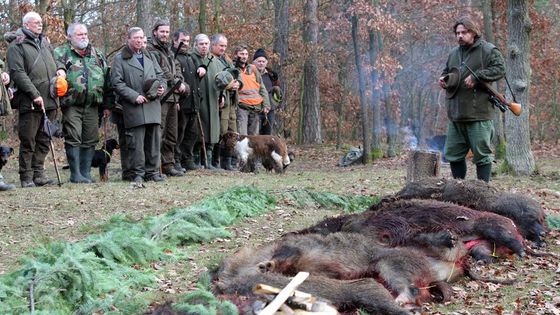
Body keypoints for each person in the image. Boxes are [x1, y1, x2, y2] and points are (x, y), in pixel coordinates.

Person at [438, 16, 505, 182]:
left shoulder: (488, 50)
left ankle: (483, 192)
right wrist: (443, 79)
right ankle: (459, 190)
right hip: (456, 114)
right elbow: (448, 70)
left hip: (479, 114)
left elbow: (500, 69)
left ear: (473, 32)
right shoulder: (454, 53)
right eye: (458, 33)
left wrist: (477, 77)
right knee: (453, 154)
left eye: (464, 32)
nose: (460, 36)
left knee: (482, 156)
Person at [6, 11, 66, 188]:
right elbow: (18, 73)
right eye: (36, 22)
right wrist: (34, 94)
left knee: (45, 138)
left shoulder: (45, 42)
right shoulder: (16, 46)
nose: (40, 25)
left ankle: (39, 174)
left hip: (51, 98)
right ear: (26, 25)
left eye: (41, 22)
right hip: (30, 101)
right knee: (28, 139)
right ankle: (26, 176)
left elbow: (56, 61)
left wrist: (61, 69)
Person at [54, 23, 110, 183]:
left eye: (85, 33)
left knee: (91, 138)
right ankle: (75, 174)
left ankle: (85, 173)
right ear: (69, 37)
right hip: (72, 104)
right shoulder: (61, 52)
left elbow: (107, 80)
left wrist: (107, 105)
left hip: (93, 105)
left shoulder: (97, 54)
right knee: (73, 137)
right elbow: (56, 70)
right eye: (79, 34)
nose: (84, 36)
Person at [111, 27, 166, 183]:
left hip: (153, 105)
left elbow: (161, 75)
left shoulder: (149, 55)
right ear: (128, 39)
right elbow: (116, 82)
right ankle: (138, 173)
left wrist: (162, 87)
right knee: (136, 143)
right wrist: (134, 96)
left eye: (142, 37)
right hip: (134, 107)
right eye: (136, 38)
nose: (140, 41)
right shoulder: (120, 58)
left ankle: (153, 172)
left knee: (154, 141)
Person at [146, 18, 187, 177]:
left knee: (172, 134)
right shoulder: (150, 49)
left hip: (173, 98)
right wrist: (176, 81)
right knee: (159, 133)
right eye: (162, 31)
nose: (164, 34)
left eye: (167, 32)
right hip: (161, 97)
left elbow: (176, 67)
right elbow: (161, 70)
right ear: (155, 31)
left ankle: (168, 164)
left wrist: (180, 81)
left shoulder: (168, 50)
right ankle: (155, 167)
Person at [172, 30, 201, 172]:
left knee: (192, 133)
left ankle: (187, 158)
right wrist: (176, 100)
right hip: (181, 103)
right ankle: (176, 160)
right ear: (175, 40)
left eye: (188, 41)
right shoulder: (173, 56)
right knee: (179, 133)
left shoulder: (190, 57)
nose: (185, 44)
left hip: (193, 101)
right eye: (183, 40)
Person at [212, 35, 240, 170]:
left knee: (232, 131)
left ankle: (227, 161)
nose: (223, 48)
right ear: (214, 45)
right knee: (221, 131)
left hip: (231, 101)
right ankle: (216, 161)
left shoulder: (226, 60)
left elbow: (236, 75)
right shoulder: (211, 60)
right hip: (221, 100)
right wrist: (224, 91)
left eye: (225, 46)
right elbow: (216, 82)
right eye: (221, 45)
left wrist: (237, 84)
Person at [235, 45, 270, 136]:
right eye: (242, 54)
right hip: (241, 107)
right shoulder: (233, 70)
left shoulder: (253, 69)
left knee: (254, 138)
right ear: (236, 55)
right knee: (242, 136)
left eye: (246, 54)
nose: (244, 56)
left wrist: (266, 105)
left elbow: (262, 88)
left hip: (255, 108)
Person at [252, 48, 281, 135]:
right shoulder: (249, 73)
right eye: (259, 61)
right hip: (254, 109)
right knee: (255, 134)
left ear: (266, 62)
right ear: (254, 62)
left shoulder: (272, 75)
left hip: (269, 110)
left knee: (268, 134)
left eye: (263, 61)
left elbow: (277, 91)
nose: (261, 63)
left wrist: (274, 105)